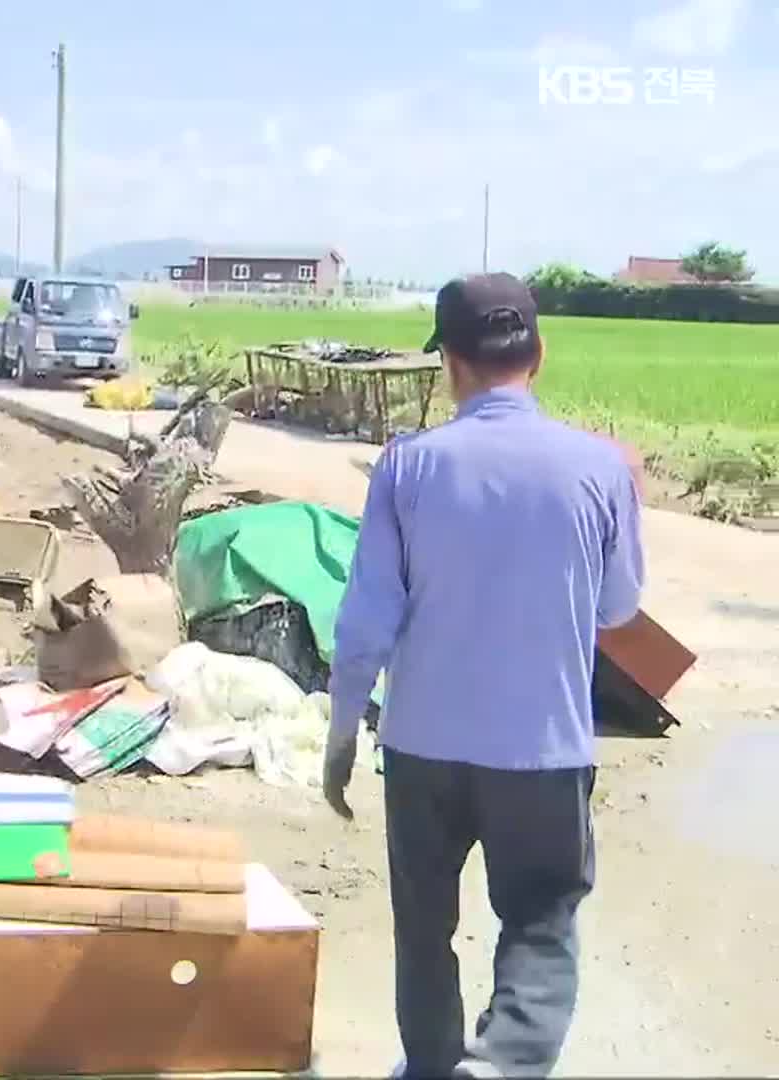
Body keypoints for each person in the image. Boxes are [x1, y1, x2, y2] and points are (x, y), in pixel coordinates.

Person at [322, 272, 645, 1078]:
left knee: (423, 921)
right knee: (540, 916)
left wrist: (339, 738)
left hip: (423, 747)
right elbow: (618, 609)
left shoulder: (408, 467)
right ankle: (501, 1060)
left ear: (451, 365)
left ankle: (433, 1065)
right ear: (538, 354)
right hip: (542, 751)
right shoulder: (599, 470)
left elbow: (366, 622)